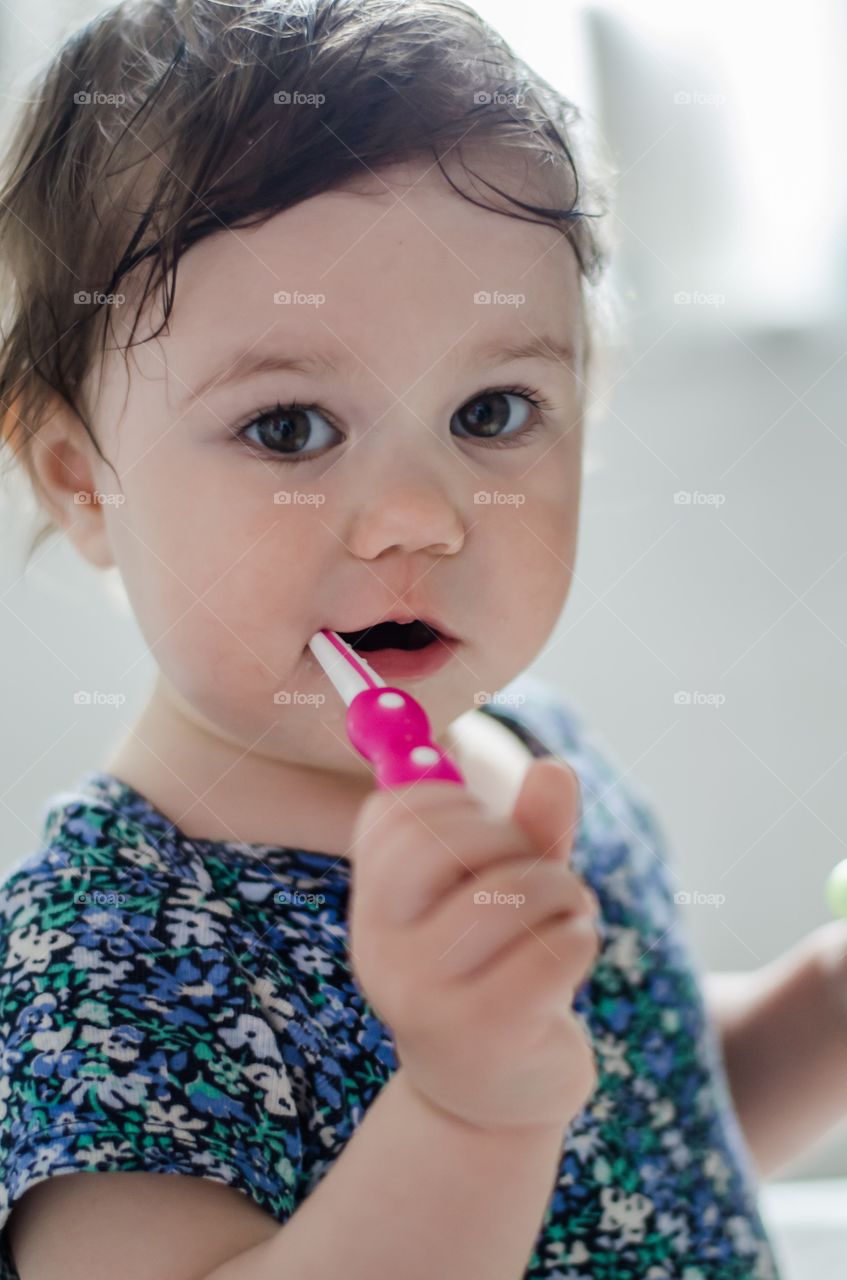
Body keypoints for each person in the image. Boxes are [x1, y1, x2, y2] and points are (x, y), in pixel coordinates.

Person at [1, 2, 844, 1276]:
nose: (419, 516)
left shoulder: (533, 748)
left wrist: (827, 1010)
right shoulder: (94, 957)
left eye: (493, 409)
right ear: (79, 479)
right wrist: (465, 1104)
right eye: (287, 427)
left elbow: (639, 1127)